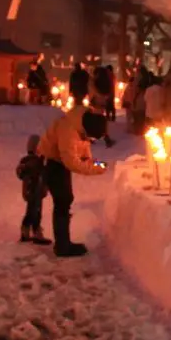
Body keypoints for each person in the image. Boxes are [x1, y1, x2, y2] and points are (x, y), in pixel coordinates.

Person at [37, 104, 107, 257]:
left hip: (59, 160)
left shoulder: (82, 127)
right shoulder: (68, 131)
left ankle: (63, 243)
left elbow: (85, 158)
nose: (91, 141)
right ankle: (62, 246)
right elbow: (72, 162)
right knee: (62, 199)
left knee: (65, 199)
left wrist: (98, 164)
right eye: (92, 138)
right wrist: (96, 169)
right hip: (49, 160)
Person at [15, 134, 52, 245]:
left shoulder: (26, 160)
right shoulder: (36, 161)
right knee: (35, 212)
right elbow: (42, 175)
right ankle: (36, 233)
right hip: (36, 191)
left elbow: (21, 174)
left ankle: (25, 231)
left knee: (31, 211)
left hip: (30, 191)